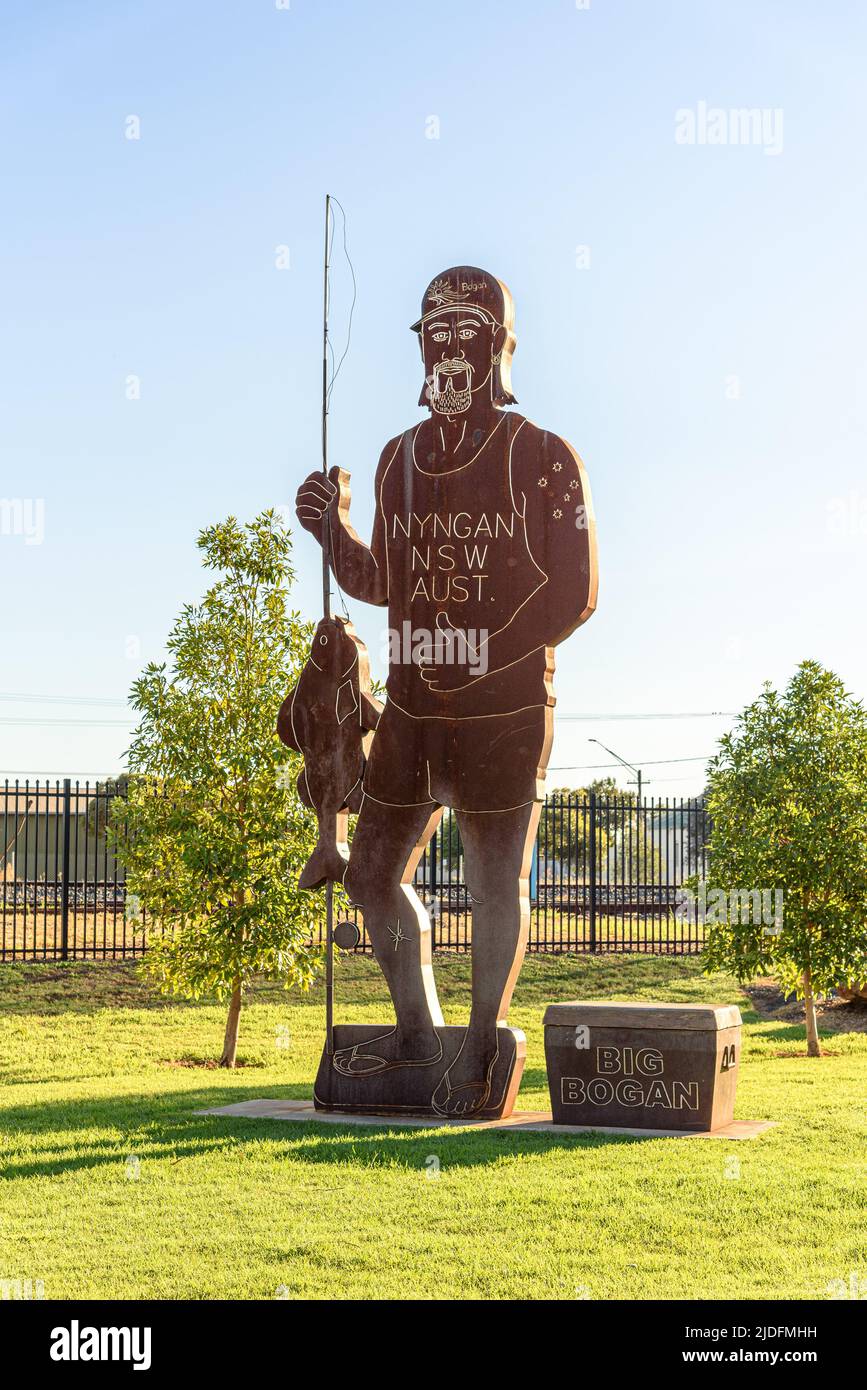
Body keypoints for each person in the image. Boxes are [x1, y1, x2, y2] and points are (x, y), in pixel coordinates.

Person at [296, 265, 598, 1116]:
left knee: (495, 881)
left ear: (499, 345)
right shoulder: (399, 457)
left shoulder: (541, 455)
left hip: (505, 712)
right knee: (369, 874)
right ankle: (417, 1034)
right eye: (436, 334)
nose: (450, 349)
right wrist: (333, 532)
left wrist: (487, 652)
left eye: (469, 332)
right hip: (411, 709)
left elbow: (573, 589)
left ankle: (481, 1043)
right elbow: (380, 579)